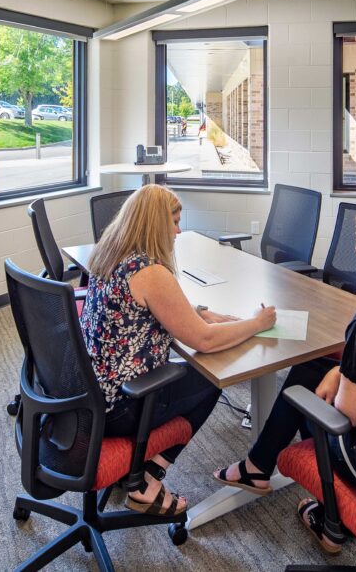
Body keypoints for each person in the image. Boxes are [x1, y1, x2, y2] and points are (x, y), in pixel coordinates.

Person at [213, 198, 356, 553]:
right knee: (313, 367)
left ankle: (324, 518)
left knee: (304, 396)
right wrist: (341, 368)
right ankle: (261, 469)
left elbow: (349, 415)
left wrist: (337, 381)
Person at [80, 184, 277, 517]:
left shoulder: (110, 253)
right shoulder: (150, 272)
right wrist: (258, 323)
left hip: (91, 391)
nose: (178, 230)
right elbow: (205, 341)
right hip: (121, 406)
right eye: (173, 221)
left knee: (199, 368)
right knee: (213, 376)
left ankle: (143, 471)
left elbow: (144, 308)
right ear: (155, 224)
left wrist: (199, 311)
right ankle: (149, 476)